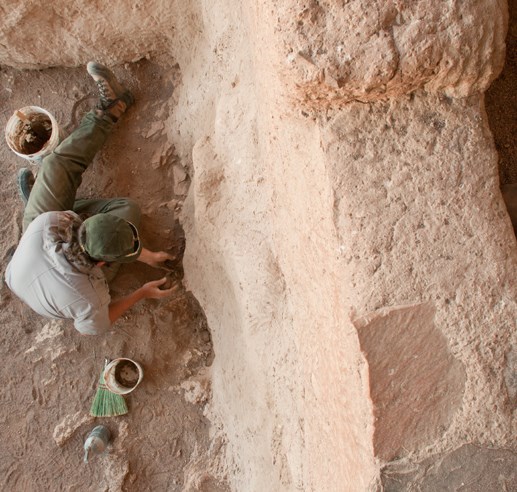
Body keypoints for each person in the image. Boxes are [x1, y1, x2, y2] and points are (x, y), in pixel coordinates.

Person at [5, 62, 178, 335]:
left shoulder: (49, 224)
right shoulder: (90, 295)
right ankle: (39, 195)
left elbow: (87, 230)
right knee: (126, 208)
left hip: (34, 240)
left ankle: (110, 108)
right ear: (102, 264)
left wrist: (144, 255)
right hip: (56, 289)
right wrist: (142, 293)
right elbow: (95, 327)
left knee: (54, 168)